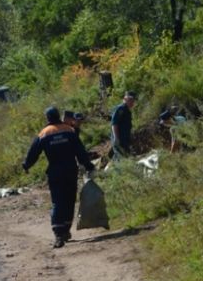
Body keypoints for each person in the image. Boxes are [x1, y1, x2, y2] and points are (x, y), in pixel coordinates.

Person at [22, 106, 95, 248]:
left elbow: (33, 153)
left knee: (57, 202)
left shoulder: (44, 133)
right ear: (58, 116)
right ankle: (66, 230)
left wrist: (26, 165)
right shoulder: (69, 130)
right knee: (69, 200)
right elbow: (79, 150)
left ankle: (58, 235)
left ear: (48, 118)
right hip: (70, 170)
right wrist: (88, 165)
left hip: (55, 172)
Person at [111, 91, 136, 160]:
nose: (132, 102)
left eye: (133, 100)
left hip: (124, 139)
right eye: (130, 100)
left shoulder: (127, 111)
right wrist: (116, 137)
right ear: (125, 99)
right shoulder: (121, 109)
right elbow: (114, 123)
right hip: (119, 139)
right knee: (121, 158)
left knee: (124, 157)